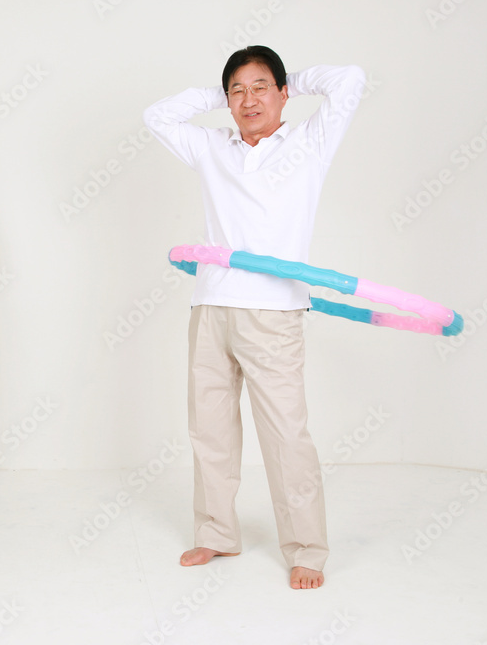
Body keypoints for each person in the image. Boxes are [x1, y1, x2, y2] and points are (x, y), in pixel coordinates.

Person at [143, 46, 365, 589]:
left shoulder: (311, 141)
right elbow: (157, 115)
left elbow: (350, 78)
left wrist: (290, 78)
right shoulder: (211, 147)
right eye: (237, 91)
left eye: (261, 87)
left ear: (284, 93)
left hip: (274, 312)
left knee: (287, 436)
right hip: (211, 303)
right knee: (210, 430)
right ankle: (216, 533)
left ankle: (307, 549)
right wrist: (219, 94)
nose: (249, 100)